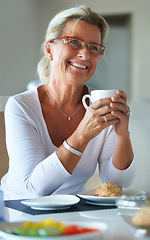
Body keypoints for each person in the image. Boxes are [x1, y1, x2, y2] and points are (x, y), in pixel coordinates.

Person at [1, 5, 136, 200]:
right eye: (74, 42)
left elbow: (116, 184)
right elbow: (34, 188)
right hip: (18, 211)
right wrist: (83, 134)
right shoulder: (21, 107)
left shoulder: (101, 104)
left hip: (71, 211)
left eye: (94, 47)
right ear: (50, 49)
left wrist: (122, 134)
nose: (85, 54)